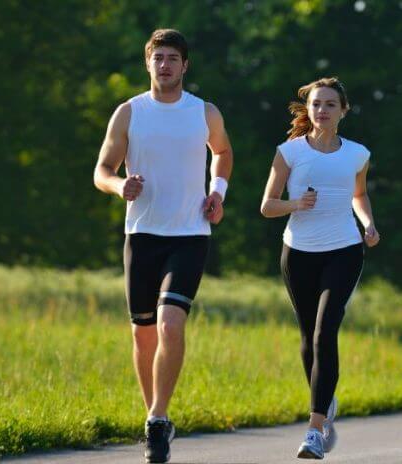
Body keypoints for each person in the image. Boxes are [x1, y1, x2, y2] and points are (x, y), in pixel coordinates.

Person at [93, 28, 233, 464]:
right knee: (143, 333)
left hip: (189, 234)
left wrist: (218, 193)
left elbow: (223, 152)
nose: (166, 65)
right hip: (142, 234)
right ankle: (153, 415)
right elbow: (102, 169)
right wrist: (120, 186)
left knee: (171, 323)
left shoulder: (203, 112)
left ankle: (157, 418)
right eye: (159, 58)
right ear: (148, 63)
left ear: (185, 66)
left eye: (173, 58)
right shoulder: (129, 112)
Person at [260, 77, 380, 459]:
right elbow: (267, 205)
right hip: (298, 253)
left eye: (330, 104)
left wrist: (368, 223)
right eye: (316, 104)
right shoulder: (289, 152)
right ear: (308, 110)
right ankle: (325, 398)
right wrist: (296, 205)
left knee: (325, 332)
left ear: (343, 110)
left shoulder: (358, 154)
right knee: (308, 338)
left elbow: (359, 195)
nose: (322, 110)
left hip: (343, 249)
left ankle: (314, 429)